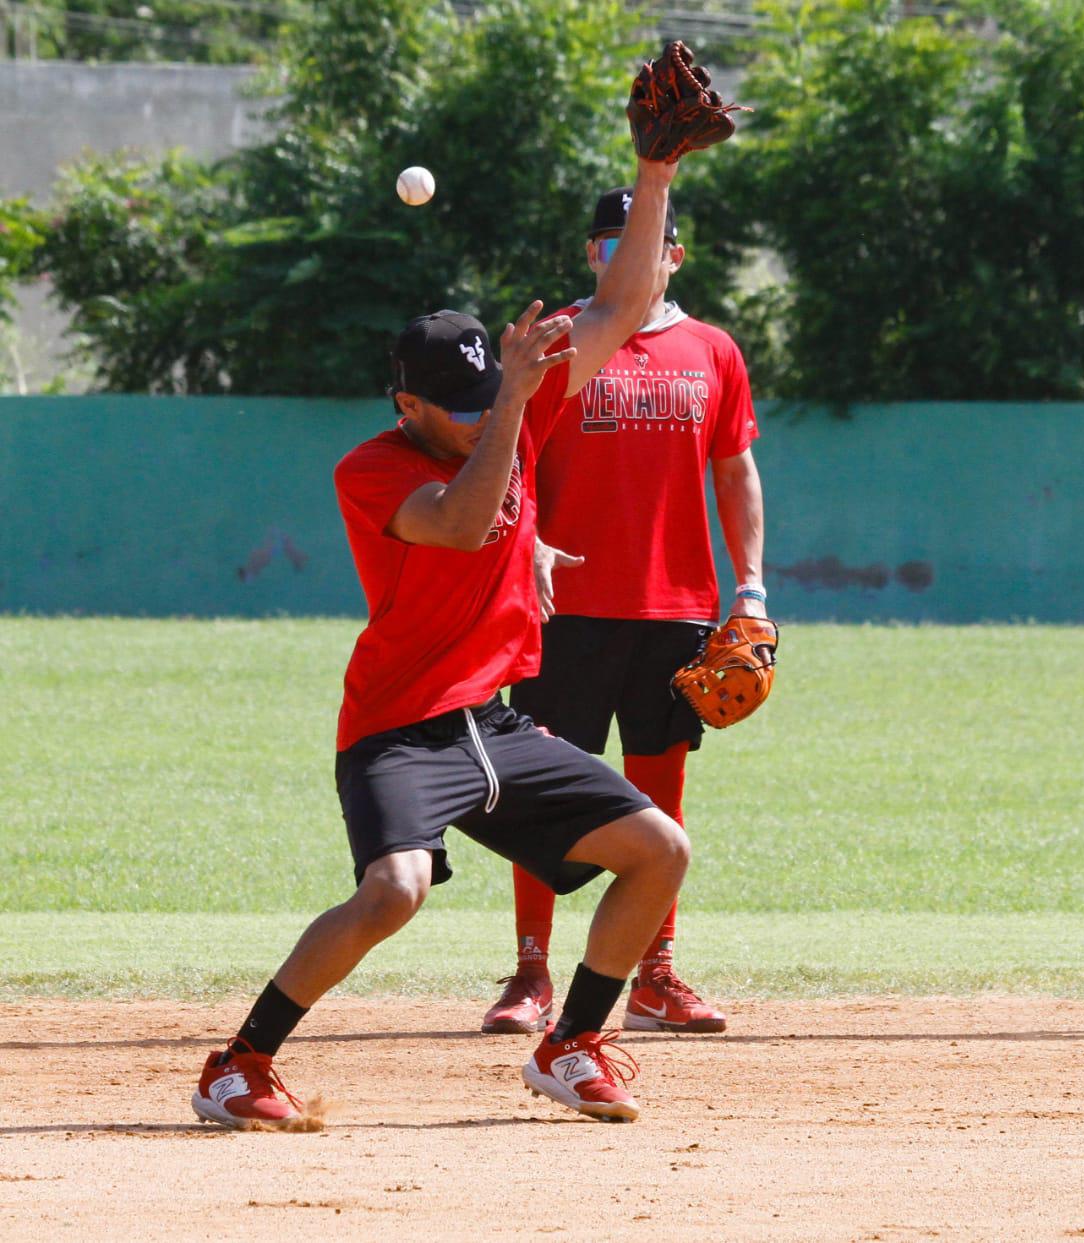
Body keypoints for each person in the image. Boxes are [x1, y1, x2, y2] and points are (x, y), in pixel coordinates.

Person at [192, 157, 691, 1129]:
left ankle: (573, 1041)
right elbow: (461, 525)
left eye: (484, 405)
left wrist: (655, 168)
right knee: (393, 891)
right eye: (454, 412)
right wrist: (509, 400)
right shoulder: (370, 470)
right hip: (396, 726)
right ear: (406, 406)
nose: (476, 425)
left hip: (495, 721)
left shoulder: (511, 405)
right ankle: (239, 1062)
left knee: (658, 850)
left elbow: (625, 302)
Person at [480, 186, 763, 1038]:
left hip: (674, 604)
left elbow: (736, 470)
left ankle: (655, 972)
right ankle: (532, 968)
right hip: (563, 604)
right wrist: (520, 548)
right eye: (607, 246)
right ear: (592, 256)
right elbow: (507, 451)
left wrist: (749, 586)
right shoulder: (559, 341)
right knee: (540, 791)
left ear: (673, 254)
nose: (623, 258)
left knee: (660, 793)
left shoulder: (713, 350)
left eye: (638, 244)